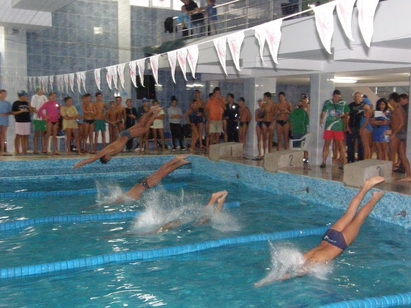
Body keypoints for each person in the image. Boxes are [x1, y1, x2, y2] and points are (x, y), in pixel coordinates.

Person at [254, 176, 385, 287]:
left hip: (338, 243)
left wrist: (279, 278)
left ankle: (375, 197)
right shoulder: (303, 257)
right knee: (349, 214)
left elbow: (298, 272)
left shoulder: (308, 264)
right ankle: (365, 187)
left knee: (359, 219)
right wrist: (270, 279)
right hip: (328, 237)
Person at [73, 105, 162, 168]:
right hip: (125, 135)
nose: (109, 159)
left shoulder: (105, 151)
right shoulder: (112, 153)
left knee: (146, 128)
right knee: (142, 124)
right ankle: (151, 110)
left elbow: (92, 159)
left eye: (107, 160)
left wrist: (80, 164)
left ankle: (155, 113)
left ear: (105, 157)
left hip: (126, 135)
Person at [152, 190, 228, 234]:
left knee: (206, 219)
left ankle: (218, 201)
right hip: (184, 222)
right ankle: (216, 199)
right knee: (205, 218)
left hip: (184, 223)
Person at [123, 155, 191, 200]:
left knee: (163, 173)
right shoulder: (127, 194)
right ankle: (176, 160)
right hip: (141, 182)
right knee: (161, 171)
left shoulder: (131, 197)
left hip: (146, 185)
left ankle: (180, 162)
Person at [319, 89, 349, 169]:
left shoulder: (344, 103)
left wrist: (342, 116)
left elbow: (347, 113)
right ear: (333, 96)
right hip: (329, 127)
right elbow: (323, 112)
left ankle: (344, 163)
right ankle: (324, 162)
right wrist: (321, 119)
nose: (337, 99)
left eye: (338, 97)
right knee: (326, 144)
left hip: (338, 127)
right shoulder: (328, 102)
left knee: (341, 145)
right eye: (336, 97)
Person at [387, 92, 411, 182]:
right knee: (402, 155)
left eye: (390, 101)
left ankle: (390, 175)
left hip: (398, 134)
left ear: (392, 100)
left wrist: (394, 133)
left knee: (392, 154)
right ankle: (409, 175)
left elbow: (402, 123)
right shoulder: (399, 109)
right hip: (400, 133)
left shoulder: (398, 109)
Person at [12, 91, 32, 156]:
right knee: (18, 136)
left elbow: (31, 111)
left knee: (26, 136)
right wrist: (21, 111)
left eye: (26, 96)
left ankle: (24, 150)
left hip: (27, 121)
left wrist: (29, 104)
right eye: (25, 96)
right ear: (21, 96)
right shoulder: (16, 103)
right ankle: (17, 150)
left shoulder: (27, 103)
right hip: (19, 121)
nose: (26, 97)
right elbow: (13, 113)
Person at [346, 92, 364, 163]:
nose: (357, 98)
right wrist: (347, 126)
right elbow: (347, 117)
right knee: (350, 144)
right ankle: (350, 159)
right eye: (356, 96)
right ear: (354, 98)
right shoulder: (350, 106)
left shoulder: (364, 106)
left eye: (359, 96)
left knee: (361, 144)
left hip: (361, 128)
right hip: (352, 127)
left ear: (361, 98)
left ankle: (361, 160)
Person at [30, 87, 48, 154]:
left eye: (42, 90)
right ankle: (35, 149)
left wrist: (45, 115)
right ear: (37, 90)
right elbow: (33, 107)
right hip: (37, 117)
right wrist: (39, 113)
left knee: (43, 133)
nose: (41, 91)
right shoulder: (34, 97)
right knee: (36, 133)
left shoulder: (44, 97)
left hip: (43, 118)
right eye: (40, 90)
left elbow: (47, 106)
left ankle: (43, 148)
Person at [0, 89, 12, 156]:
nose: (4, 95)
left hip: (4, 120)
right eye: (2, 93)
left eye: (5, 94)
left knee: (3, 135)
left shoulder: (7, 103)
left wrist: (6, 114)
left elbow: (10, 112)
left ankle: (2, 150)